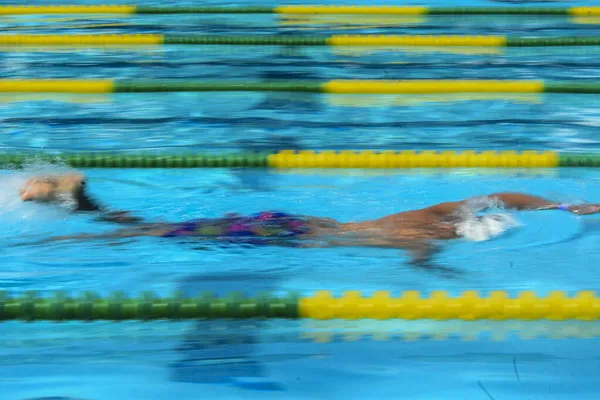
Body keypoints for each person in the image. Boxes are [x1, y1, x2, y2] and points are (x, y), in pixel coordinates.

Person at [18, 173, 600, 268]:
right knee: (148, 233)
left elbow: (498, 194)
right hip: (291, 233)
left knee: (156, 228)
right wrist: (440, 274)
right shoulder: (434, 233)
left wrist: (557, 205)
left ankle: (77, 204)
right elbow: (419, 257)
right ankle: (73, 211)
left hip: (294, 222)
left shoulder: (438, 215)